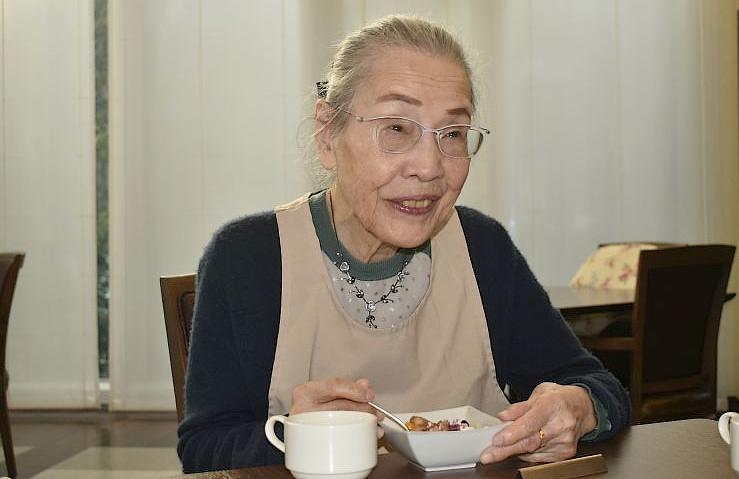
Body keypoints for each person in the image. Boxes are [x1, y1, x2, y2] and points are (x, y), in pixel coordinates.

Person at [177, 14, 630, 473]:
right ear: (327, 135)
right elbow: (202, 449)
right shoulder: (248, 258)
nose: (430, 167)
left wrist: (578, 408)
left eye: (452, 134)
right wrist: (295, 436)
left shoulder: (482, 247)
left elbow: (593, 383)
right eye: (396, 128)